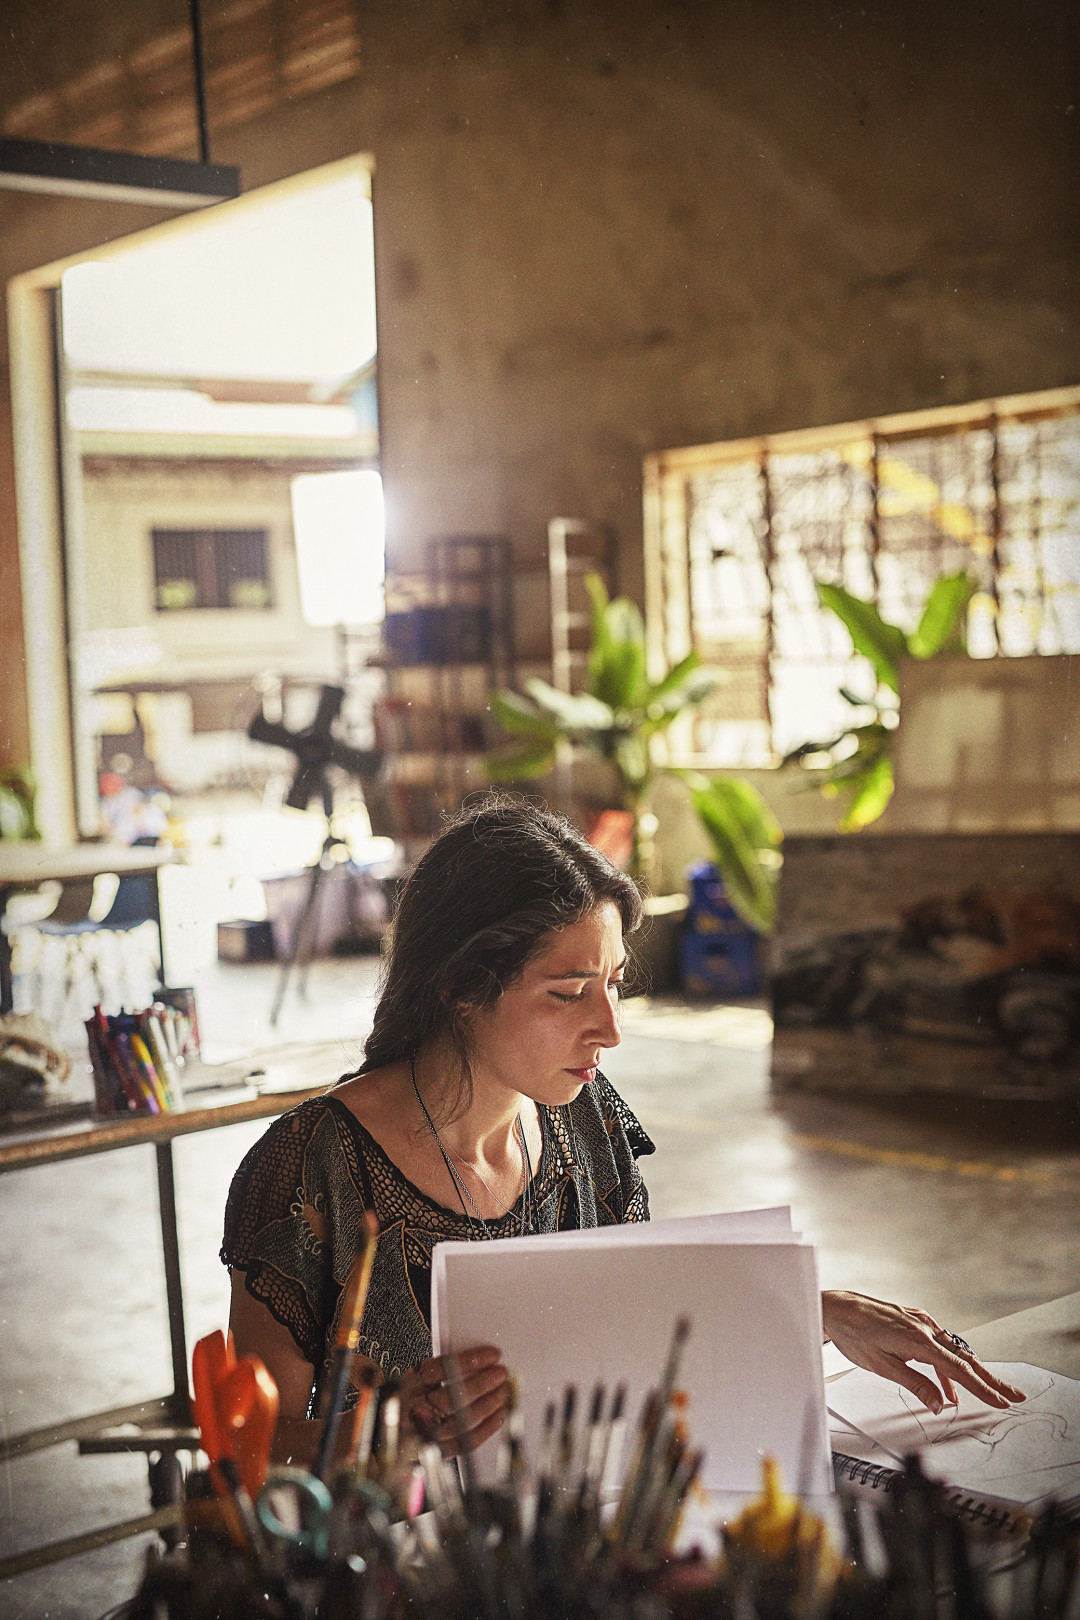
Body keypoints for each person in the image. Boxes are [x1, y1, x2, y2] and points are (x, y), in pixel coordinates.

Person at [222, 798, 1023, 1465]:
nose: (608, 1029)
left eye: (613, 984)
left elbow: (631, 1317)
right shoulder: (307, 1169)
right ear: (461, 987)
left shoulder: (585, 1118)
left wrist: (810, 1308)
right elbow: (245, 1455)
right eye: (569, 993)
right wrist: (396, 1433)